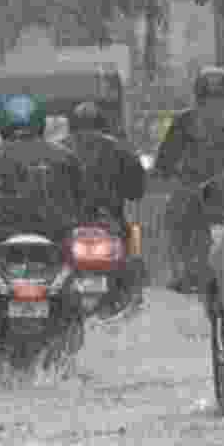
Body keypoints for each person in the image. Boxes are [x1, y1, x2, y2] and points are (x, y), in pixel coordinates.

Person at [150, 67, 224, 294]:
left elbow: (165, 161)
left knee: (174, 217)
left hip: (201, 194)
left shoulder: (186, 120)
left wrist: (162, 173)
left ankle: (183, 271)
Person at [63, 101, 148, 313]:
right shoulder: (121, 149)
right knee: (133, 244)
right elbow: (136, 191)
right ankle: (133, 293)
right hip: (110, 222)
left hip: (68, 225)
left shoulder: (59, 148)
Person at [0, 94, 90, 248]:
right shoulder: (64, 155)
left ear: (2, 123)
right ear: (40, 121)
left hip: (2, 241)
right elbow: (81, 198)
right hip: (57, 239)